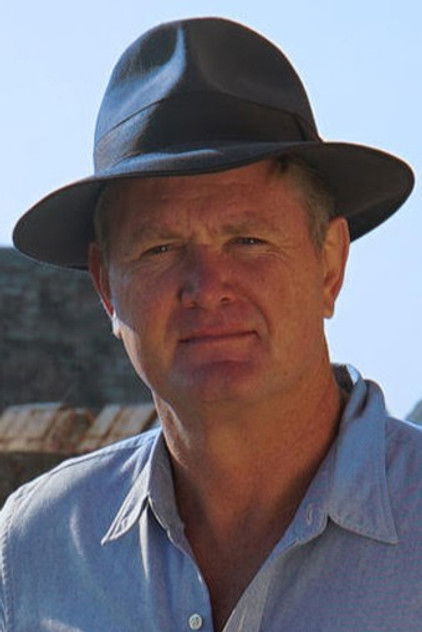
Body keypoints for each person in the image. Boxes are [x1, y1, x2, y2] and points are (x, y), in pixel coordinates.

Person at [1, 16, 420, 632]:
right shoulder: (38, 550)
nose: (207, 287)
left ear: (329, 265)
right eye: (160, 249)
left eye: (248, 240)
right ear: (105, 288)